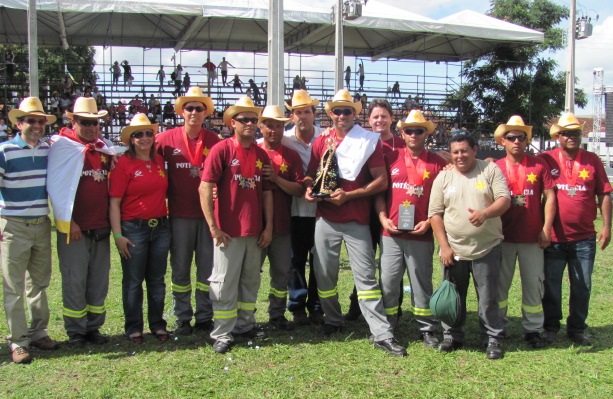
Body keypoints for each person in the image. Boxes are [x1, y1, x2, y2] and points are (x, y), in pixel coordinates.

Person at [304, 89, 407, 357]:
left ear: (355, 114)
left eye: (347, 111)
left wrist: (349, 195)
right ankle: (332, 320)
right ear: (331, 114)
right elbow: (310, 175)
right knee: (324, 274)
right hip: (325, 216)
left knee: (366, 279)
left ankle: (381, 333)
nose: (341, 115)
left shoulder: (368, 141)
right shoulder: (321, 141)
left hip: (356, 219)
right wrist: (307, 188)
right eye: (337, 111)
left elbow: (381, 181)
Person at [199, 96, 273, 354]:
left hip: (254, 230)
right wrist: (213, 226)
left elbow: (266, 193)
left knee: (250, 281)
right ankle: (222, 332)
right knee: (224, 282)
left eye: (254, 119)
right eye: (245, 120)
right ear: (232, 123)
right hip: (228, 231)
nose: (251, 123)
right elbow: (205, 187)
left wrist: (268, 227)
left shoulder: (261, 153)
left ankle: (244, 325)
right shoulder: (222, 150)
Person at [429, 132, 510, 360]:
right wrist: (444, 246)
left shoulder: (490, 170)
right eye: (455, 152)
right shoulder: (443, 178)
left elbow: (504, 199)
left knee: (488, 297)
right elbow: (435, 214)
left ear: (475, 150)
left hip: (487, 247)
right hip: (454, 251)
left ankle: (492, 339)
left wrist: (485, 214)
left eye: (464, 150)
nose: (460, 156)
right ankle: (452, 336)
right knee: (453, 296)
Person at [538, 112, 612, 346]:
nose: (571, 137)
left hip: (584, 238)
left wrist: (607, 226)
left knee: (582, 285)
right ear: (557, 136)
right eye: (566, 133)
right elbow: (521, 168)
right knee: (551, 285)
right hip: (554, 237)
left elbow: (605, 194)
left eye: (575, 133)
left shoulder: (592, 160)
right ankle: (551, 326)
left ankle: (577, 328)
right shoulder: (545, 159)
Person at [47, 97, 116, 347]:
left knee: (98, 280)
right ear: (73, 121)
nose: (90, 127)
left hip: (100, 226)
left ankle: (94, 328)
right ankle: (76, 331)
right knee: (75, 279)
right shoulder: (61, 147)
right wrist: (70, 221)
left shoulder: (104, 147)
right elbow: (56, 187)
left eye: (95, 123)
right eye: (85, 122)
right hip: (74, 228)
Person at [376, 109, 447, 348]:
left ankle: (427, 328)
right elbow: (379, 192)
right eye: (409, 130)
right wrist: (383, 217)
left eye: (419, 130)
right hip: (391, 233)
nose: (414, 134)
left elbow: (444, 200)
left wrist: (429, 221)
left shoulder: (438, 163)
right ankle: (387, 325)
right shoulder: (390, 157)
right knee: (388, 281)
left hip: (421, 234)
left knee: (421, 282)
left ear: (426, 133)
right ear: (402, 133)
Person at [156, 87, 220, 335]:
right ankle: (183, 316)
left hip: (208, 217)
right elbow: (145, 160)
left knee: (207, 268)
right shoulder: (165, 139)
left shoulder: (214, 140)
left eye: (199, 108)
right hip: (179, 215)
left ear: (206, 113)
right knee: (180, 268)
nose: (194, 112)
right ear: (182, 111)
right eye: (190, 108)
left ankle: (205, 315)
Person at [2, 97, 61, 364]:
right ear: (18, 123)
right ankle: (18, 341)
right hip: (12, 225)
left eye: (41, 121)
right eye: (31, 120)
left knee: (39, 283)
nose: (37, 125)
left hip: (41, 223)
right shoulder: (5, 151)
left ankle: (38, 332)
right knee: (13, 286)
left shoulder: (50, 149)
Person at [492, 116, 556, 349]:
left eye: (521, 137)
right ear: (502, 141)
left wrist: (546, 228)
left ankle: (533, 329)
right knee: (500, 285)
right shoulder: (494, 167)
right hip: (502, 237)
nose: (517, 141)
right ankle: (497, 328)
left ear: (527, 140)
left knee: (533, 285)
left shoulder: (539, 165)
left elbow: (550, 197)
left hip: (532, 237)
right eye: (511, 137)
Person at [109, 113, 170, 344]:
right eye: (138, 135)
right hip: (133, 228)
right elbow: (114, 202)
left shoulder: (159, 161)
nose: (144, 138)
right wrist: (118, 235)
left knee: (157, 280)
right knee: (133, 281)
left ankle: (157, 325)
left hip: (161, 227)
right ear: (130, 140)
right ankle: (134, 328)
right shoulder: (123, 163)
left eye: (148, 133)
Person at [258, 105, 305, 331]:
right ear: (261, 126)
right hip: (253, 226)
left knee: (281, 274)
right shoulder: (252, 150)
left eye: (278, 126)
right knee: (249, 274)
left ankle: (276, 315)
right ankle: (244, 317)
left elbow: (298, 189)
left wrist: (276, 180)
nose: (274, 130)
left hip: (282, 225)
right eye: (269, 125)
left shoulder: (291, 155)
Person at [282, 90, 324, 326]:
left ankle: (316, 306)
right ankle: (297, 306)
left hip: (321, 212)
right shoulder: (285, 139)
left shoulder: (326, 137)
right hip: (296, 210)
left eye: (307, 111)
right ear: (292, 116)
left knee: (319, 261)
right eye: (298, 112)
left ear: (314, 114)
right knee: (296, 260)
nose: (303, 116)